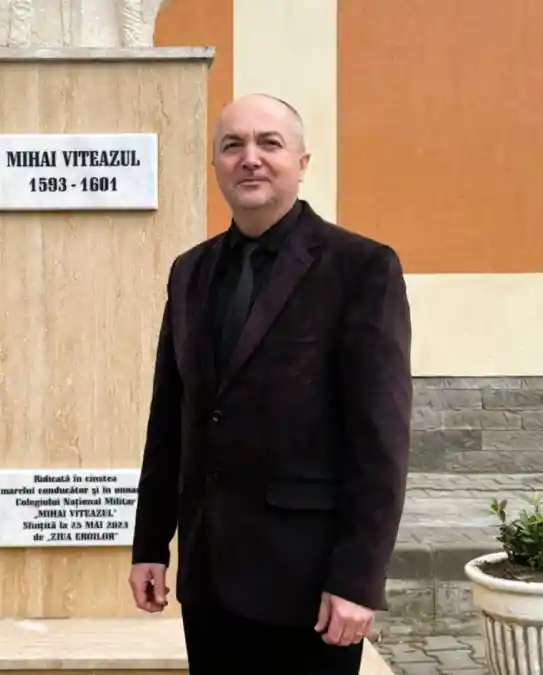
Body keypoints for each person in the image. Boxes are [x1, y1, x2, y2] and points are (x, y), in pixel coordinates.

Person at [127, 93, 412, 674]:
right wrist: (151, 544)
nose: (250, 158)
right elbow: (170, 420)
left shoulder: (361, 268)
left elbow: (379, 441)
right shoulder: (190, 271)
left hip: (308, 586)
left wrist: (358, 578)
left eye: (269, 143)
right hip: (209, 581)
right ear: (215, 165)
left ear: (301, 162)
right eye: (232, 145)